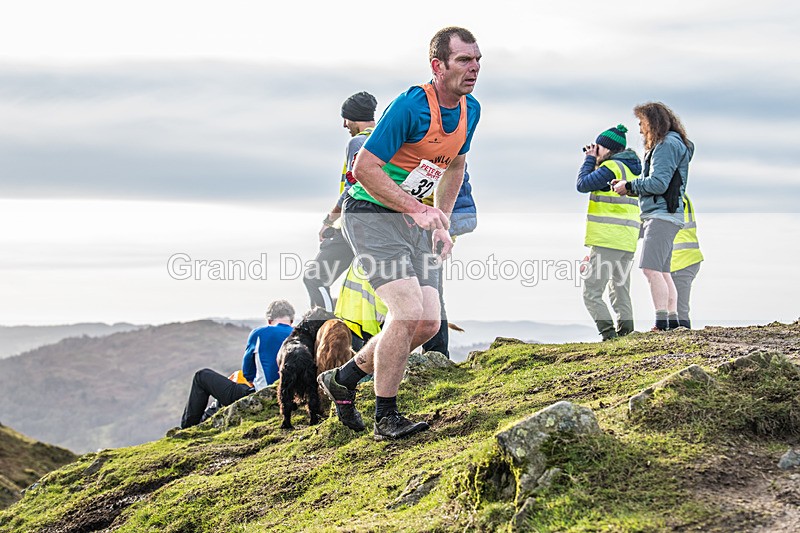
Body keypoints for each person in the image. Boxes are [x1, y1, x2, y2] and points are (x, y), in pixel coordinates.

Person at [318, 26, 481, 440]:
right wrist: (416, 209)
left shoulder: (471, 110)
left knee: (426, 323)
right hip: (370, 214)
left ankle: (343, 379)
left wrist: (440, 219)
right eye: (464, 60)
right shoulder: (411, 106)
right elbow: (365, 169)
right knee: (406, 309)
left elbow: (455, 166)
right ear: (437, 66)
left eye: (477, 60)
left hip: (413, 221)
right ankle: (385, 416)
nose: (474, 67)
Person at [612, 102, 694, 331]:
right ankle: (672, 320)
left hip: (661, 216)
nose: (640, 130)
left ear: (652, 121)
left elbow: (658, 183)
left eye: (641, 123)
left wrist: (629, 185)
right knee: (663, 270)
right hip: (666, 214)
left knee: (650, 269)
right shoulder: (674, 143)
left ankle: (661, 323)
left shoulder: (666, 144)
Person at [303, 92, 378, 312]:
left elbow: (352, 187)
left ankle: (323, 329)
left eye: (346, 119)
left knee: (315, 278)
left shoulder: (359, 141)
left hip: (355, 222)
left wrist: (329, 221)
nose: (345, 124)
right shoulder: (387, 138)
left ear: (354, 117)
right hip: (382, 225)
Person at [179, 300, 295, 429]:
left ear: (269, 320)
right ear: (292, 320)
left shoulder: (259, 334)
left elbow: (248, 371)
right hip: (293, 394)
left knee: (201, 376)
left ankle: (187, 428)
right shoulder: (300, 334)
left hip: (263, 394)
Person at [576, 125, 642, 340]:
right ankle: (626, 334)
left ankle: (609, 336)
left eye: (599, 147)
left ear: (607, 148)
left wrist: (588, 160)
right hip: (628, 238)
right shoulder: (630, 168)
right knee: (620, 289)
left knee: (591, 292)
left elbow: (582, 184)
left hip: (608, 238)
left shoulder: (612, 167)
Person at [421, 164, 477, 356]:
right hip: (433, 225)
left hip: (428, 226)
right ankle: (436, 352)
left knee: (431, 291)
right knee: (432, 290)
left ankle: (435, 352)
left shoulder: (431, 145)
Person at [670, 193, 703, 328]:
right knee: (676, 304)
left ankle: (682, 333)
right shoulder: (681, 195)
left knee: (679, 307)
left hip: (681, 260)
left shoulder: (673, 197)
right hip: (687, 258)